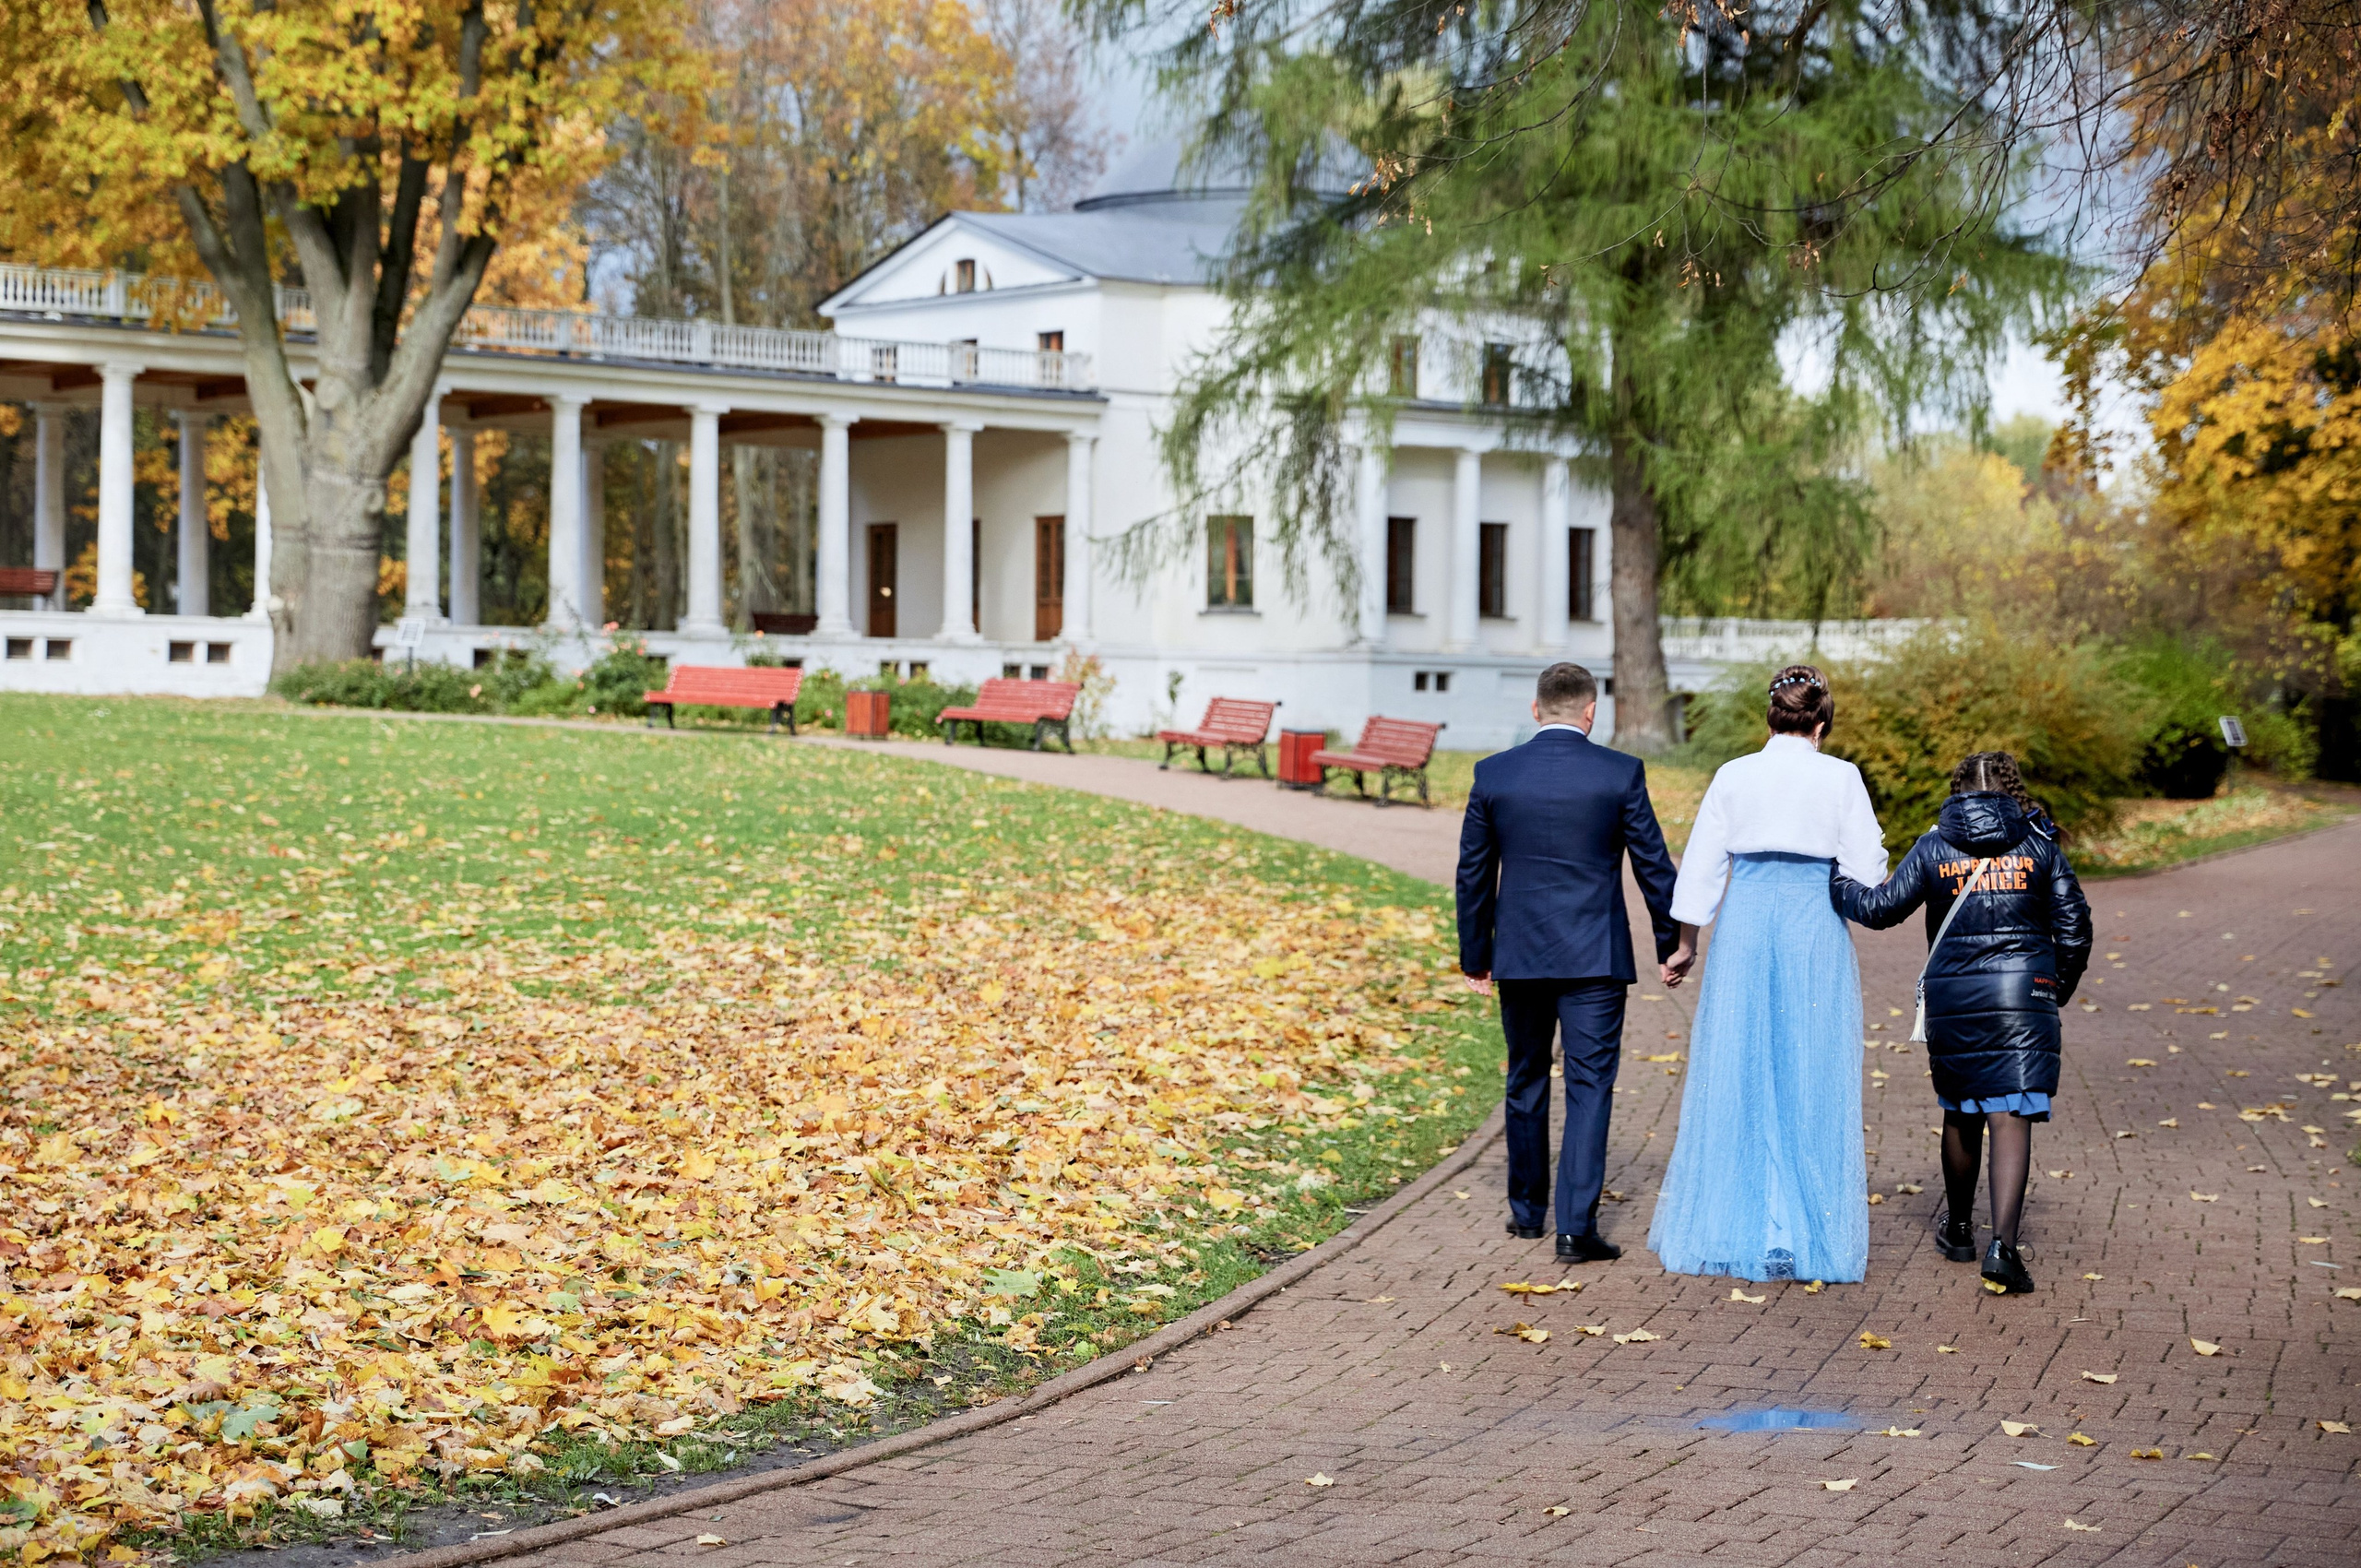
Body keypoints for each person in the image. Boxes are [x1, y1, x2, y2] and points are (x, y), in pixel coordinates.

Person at [1645, 665, 1889, 1284]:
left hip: (1748, 926)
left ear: (1770, 718)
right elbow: (1867, 868)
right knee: (1809, 1064)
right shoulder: (1841, 777)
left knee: (1741, 1063)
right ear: (1821, 725)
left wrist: (1685, 944)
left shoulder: (1734, 775)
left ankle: (1741, 1222)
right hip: (1812, 926)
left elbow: (1700, 867)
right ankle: (1801, 1227)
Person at [1831, 750, 2092, 1294]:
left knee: (1962, 1107)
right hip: (2025, 994)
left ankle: (1960, 1231)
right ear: (2010, 790)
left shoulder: (1933, 846)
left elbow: (1880, 908)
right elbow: (2075, 925)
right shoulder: (2039, 845)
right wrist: (2052, 989)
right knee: (2010, 1112)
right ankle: (2004, 1248)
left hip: (1955, 998)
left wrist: (1833, 879)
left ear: (1958, 792)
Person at [1455, 662, 1681, 1264]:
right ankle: (1575, 1228)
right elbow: (1653, 867)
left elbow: (1474, 874)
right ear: (1591, 712)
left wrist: (1475, 956)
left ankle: (1528, 1214)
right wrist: (1672, 944)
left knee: (1525, 1077)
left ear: (1535, 710)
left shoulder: (1494, 775)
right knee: (1589, 1086)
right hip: (1595, 960)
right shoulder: (1619, 773)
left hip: (1520, 956)